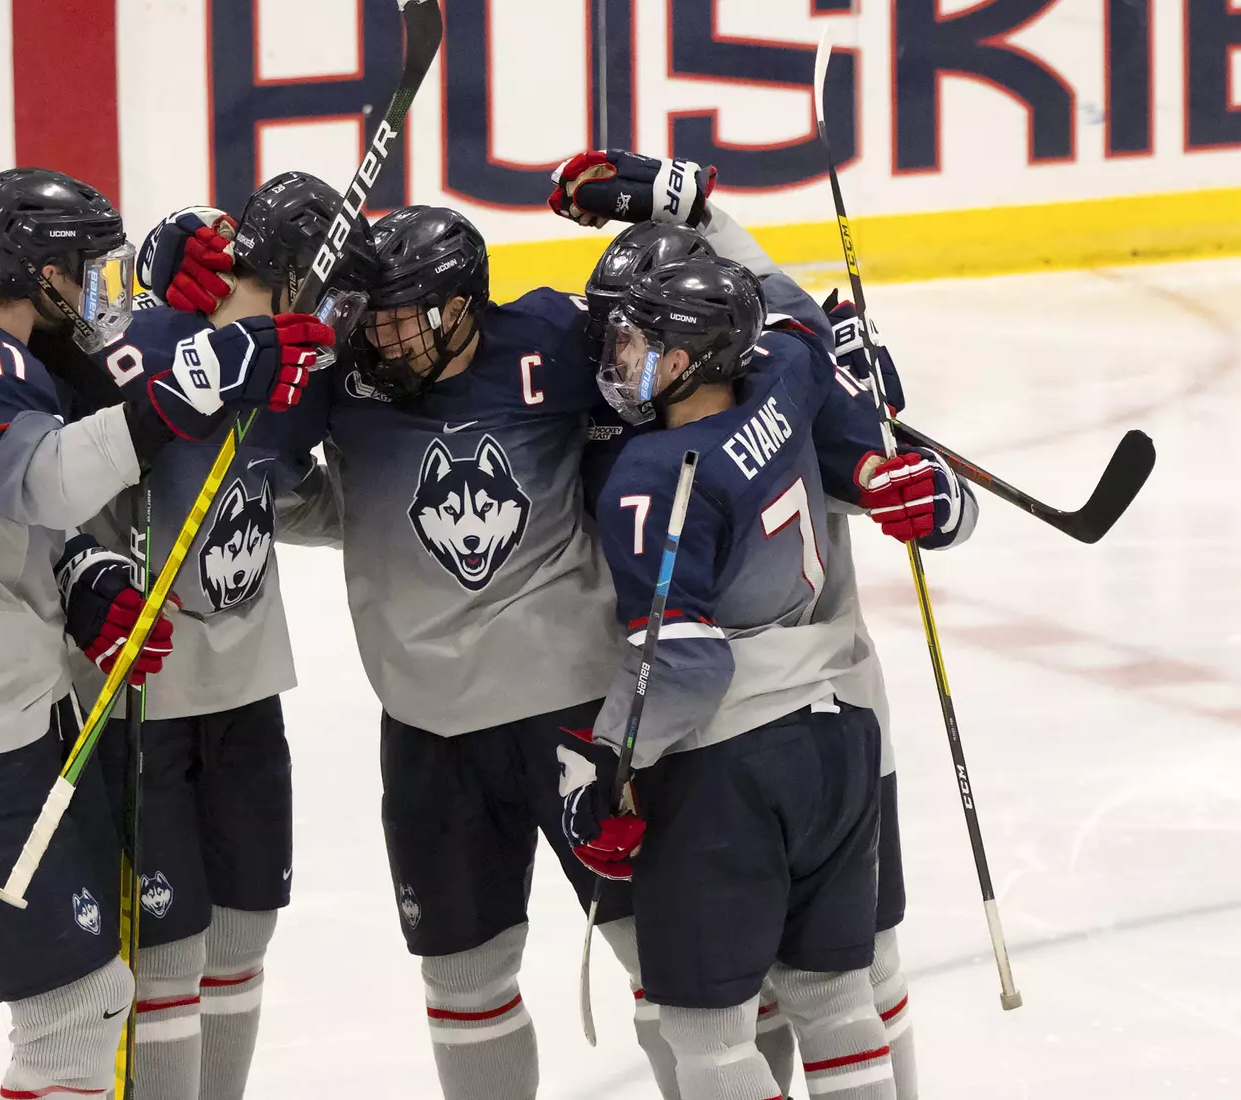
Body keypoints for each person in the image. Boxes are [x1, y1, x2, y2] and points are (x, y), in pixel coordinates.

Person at [144, 195, 723, 1100]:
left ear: (463, 307)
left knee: (670, 966)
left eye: (407, 320)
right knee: (463, 981)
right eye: (372, 318)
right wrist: (183, 295)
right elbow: (225, 433)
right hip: (425, 728)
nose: (386, 340)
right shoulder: (341, 373)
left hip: (575, 718)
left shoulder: (552, 339)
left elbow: (703, 362)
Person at [0, 167, 319, 1099]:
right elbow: (45, 481)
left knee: (94, 996)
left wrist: (79, 572)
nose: (108, 283)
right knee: (73, 1011)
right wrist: (181, 388)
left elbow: (26, 502)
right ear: (40, 272)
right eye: (87, 266)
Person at [552, 149, 936, 1099]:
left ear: (686, 352)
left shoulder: (655, 474)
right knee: (844, 993)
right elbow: (790, 311)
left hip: (722, 749)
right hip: (840, 723)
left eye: (629, 341)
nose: (609, 359)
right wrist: (701, 213)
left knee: (705, 1026)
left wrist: (607, 762)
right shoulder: (794, 370)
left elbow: (680, 665)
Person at [78, 172, 354, 1100]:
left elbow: (294, 489)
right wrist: (153, 290)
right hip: (139, 701)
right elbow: (62, 418)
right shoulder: (148, 346)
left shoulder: (303, 367)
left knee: (240, 940)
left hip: (247, 688)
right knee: (165, 957)